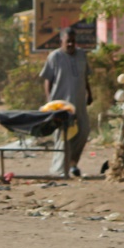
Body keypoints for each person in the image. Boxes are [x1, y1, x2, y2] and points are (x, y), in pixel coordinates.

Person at [40, 26, 93, 177]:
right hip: (61, 104)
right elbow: (47, 80)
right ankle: (59, 169)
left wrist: (89, 92)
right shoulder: (55, 57)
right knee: (64, 137)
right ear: (61, 41)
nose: (70, 44)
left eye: (73, 41)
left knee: (83, 132)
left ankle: (72, 164)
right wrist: (49, 102)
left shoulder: (81, 55)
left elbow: (85, 76)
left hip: (79, 102)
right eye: (68, 41)